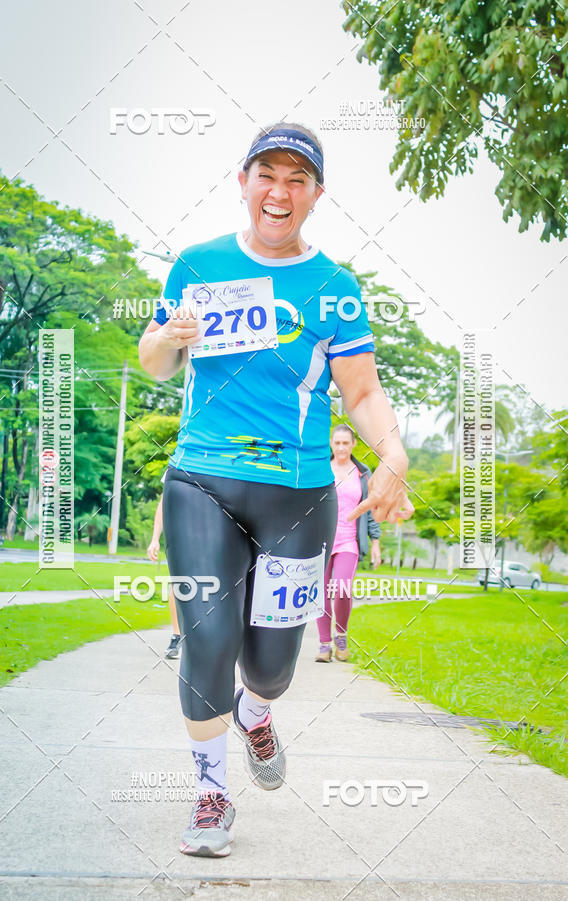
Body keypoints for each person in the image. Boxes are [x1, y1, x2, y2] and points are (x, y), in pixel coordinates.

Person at [138, 121, 414, 858]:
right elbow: (154, 360)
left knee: (269, 665)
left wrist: (393, 454)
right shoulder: (196, 265)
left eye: (297, 179)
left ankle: (256, 714)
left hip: (299, 494)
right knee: (207, 640)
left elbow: (362, 390)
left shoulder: (335, 288)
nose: (279, 191)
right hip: (203, 477)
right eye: (268, 174)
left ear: (316, 194)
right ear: (243, 182)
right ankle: (210, 791)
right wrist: (170, 337)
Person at [315, 423, 381, 663]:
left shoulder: (363, 474)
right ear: (331, 443)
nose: (341, 447)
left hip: (348, 541)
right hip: (321, 540)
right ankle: (324, 645)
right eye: (337, 442)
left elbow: (372, 510)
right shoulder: (321, 469)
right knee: (320, 593)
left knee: (342, 589)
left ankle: (340, 637)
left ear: (353, 445)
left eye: (346, 443)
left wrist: (375, 542)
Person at [146, 488, 182, 659]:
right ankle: (177, 636)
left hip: (213, 534)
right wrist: (154, 539)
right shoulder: (178, 463)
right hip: (181, 534)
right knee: (179, 583)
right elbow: (163, 502)